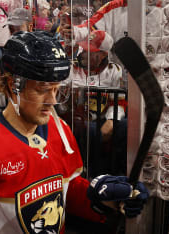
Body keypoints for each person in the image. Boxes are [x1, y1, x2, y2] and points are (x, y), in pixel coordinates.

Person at [0, 31, 148, 233]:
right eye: (42, 90)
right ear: (11, 86)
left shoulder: (60, 128)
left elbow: (67, 188)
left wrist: (100, 198)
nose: (53, 101)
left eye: (57, 90)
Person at [68, 30, 127, 177]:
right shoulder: (72, 68)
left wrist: (112, 120)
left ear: (103, 55)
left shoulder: (114, 71)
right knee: (90, 130)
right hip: (78, 119)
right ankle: (88, 175)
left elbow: (119, 101)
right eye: (84, 49)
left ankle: (117, 174)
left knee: (125, 126)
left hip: (101, 118)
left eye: (90, 51)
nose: (84, 53)